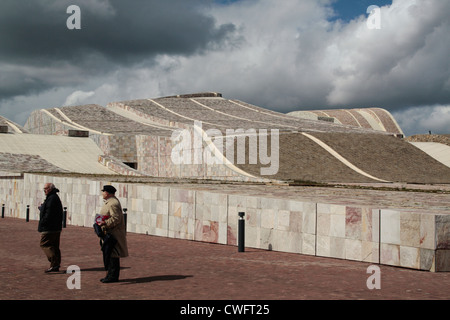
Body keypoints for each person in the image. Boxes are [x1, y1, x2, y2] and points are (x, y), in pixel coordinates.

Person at [96, 185, 128, 283]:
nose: (102, 193)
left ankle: (112, 276)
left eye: (103, 191)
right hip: (108, 232)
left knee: (113, 254)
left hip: (113, 233)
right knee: (109, 254)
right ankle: (110, 275)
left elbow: (116, 218)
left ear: (107, 193)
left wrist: (105, 223)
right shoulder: (109, 202)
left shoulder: (113, 203)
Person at [38, 183, 63, 273]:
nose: (45, 190)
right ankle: (55, 265)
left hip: (49, 227)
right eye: (44, 188)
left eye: (46, 188)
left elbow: (49, 214)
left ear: (51, 188)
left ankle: (54, 263)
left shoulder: (52, 198)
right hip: (55, 227)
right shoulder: (53, 197)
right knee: (54, 246)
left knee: (45, 244)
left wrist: (43, 222)